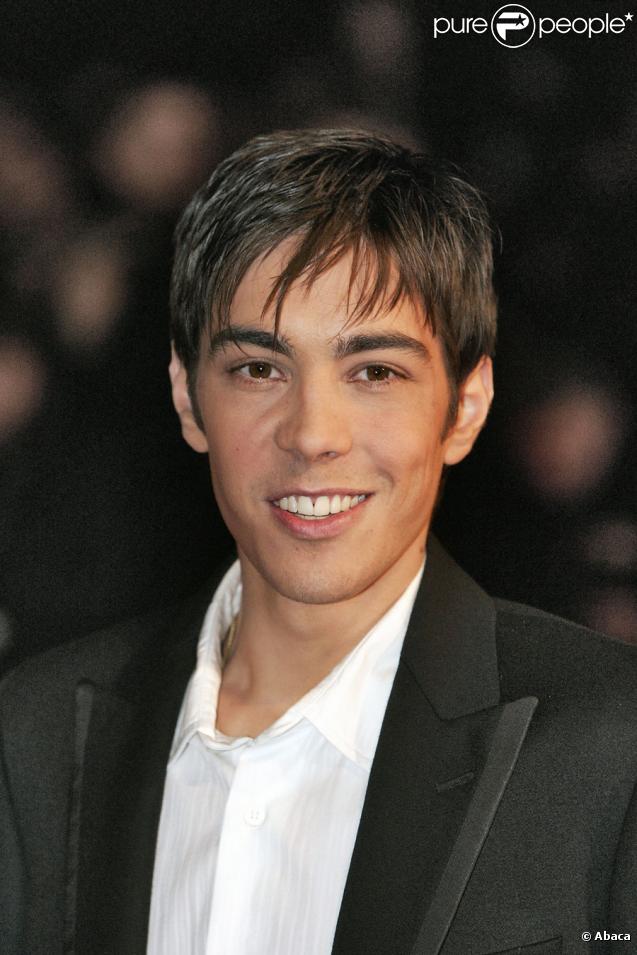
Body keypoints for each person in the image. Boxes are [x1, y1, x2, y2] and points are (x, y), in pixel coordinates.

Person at [1, 129, 636, 955]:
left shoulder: (610, 742)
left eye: (375, 371)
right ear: (189, 399)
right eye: (259, 369)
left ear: (464, 406)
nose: (312, 434)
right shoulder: (36, 733)